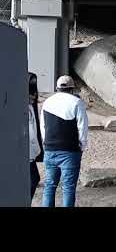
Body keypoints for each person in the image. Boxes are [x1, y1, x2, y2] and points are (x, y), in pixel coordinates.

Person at [40, 75, 88, 207]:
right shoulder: (77, 103)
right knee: (68, 188)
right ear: (72, 89)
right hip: (70, 151)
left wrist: (47, 144)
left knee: (49, 186)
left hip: (50, 150)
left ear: (57, 88)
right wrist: (81, 147)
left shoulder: (47, 102)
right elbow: (82, 127)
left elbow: (43, 127)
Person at [28, 72, 43, 202]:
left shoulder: (29, 108)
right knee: (34, 179)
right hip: (27, 153)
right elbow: (31, 133)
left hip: (30, 153)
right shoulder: (27, 109)